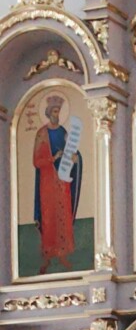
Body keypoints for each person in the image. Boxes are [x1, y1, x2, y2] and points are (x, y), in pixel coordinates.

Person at [33, 93, 82, 272]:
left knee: (63, 216)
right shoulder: (41, 134)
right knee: (49, 217)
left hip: (63, 182)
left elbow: (72, 151)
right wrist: (53, 158)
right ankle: (47, 256)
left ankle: (63, 254)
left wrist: (75, 158)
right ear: (48, 112)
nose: (57, 114)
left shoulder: (63, 132)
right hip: (47, 183)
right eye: (54, 111)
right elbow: (36, 161)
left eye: (59, 111)